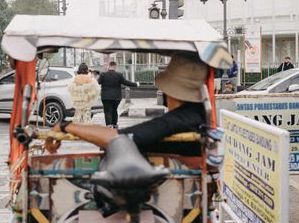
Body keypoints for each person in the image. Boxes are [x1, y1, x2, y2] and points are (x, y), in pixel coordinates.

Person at [53, 54, 207, 157]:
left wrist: (66, 126)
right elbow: (125, 83)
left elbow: (116, 138)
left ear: (170, 93)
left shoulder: (177, 121)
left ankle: (110, 124)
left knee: (108, 116)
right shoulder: (199, 116)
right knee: (112, 115)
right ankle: (112, 123)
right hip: (116, 98)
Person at [97, 61, 138, 128]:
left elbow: (97, 82)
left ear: (109, 66)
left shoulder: (103, 75)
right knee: (114, 110)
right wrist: (136, 84)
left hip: (106, 97)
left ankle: (109, 125)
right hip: (116, 97)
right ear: (115, 67)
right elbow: (126, 82)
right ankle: (114, 124)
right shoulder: (119, 75)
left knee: (107, 111)